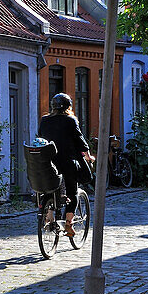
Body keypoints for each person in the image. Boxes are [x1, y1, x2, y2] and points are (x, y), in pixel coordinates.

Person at [38, 93, 95, 237]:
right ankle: (69, 224)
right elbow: (80, 140)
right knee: (72, 192)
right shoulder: (70, 120)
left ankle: (49, 214)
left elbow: (40, 138)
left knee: (50, 189)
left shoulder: (44, 120)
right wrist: (88, 157)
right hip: (67, 162)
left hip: (48, 162)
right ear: (69, 106)